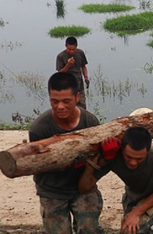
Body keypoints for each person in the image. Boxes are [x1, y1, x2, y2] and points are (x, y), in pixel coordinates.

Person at [29, 72, 103, 234]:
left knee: (90, 230)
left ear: (77, 97)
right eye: (54, 101)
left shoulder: (90, 122)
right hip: (52, 190)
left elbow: (97, 158)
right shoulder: (40, 129)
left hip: (83, 188)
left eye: (66, 101)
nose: (60, 106)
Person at [79, 127, 153, 234]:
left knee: (129, 230)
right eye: (128, 157)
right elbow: (84, 187)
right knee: (131, 228)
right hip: (132, 195)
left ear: (148, 151)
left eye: (139, 159)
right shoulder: (113, 156)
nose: (133, 162)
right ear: (122, 149)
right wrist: (91, 166)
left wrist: (136, 213)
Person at [56, 36, 89, 109]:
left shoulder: (80, 53)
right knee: (70, 106)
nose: (71, 51)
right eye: (69, 49)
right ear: (65, 46)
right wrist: (68, 65)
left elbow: (83, 66)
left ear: (76, 46)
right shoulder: (60, 56)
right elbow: (60, 73)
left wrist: (86, 77)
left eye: (73, 49)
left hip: (79, 83)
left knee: (82, 106)